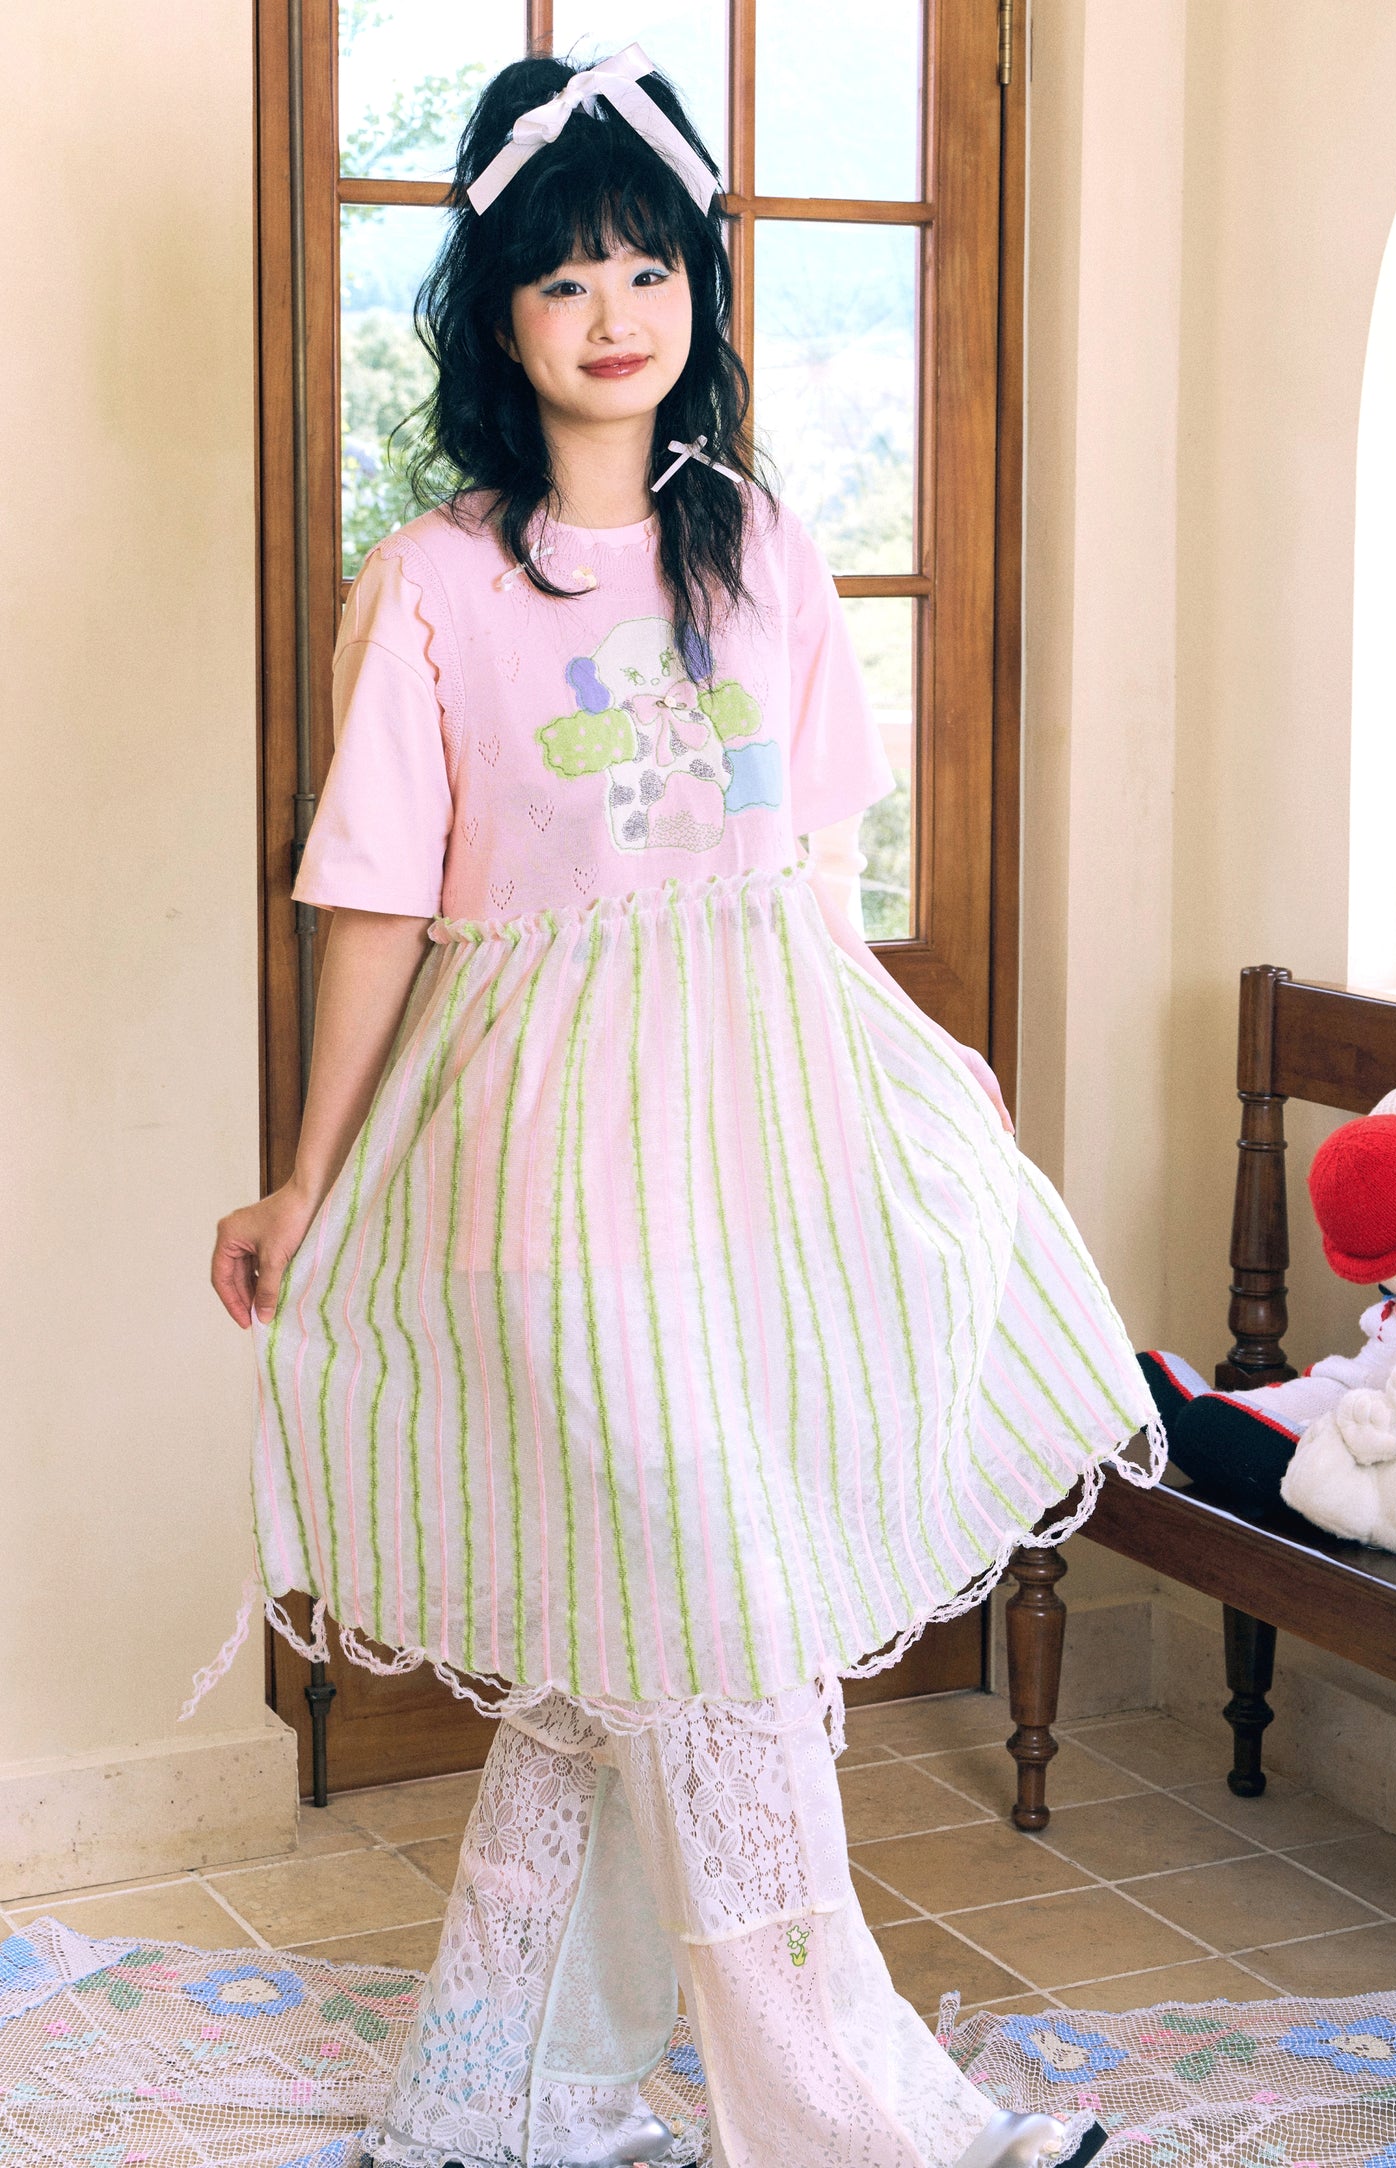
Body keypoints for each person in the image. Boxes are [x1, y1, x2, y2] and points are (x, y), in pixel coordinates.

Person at [209, 46, 1155, 2168]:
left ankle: (491, 2102)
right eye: (564, 277)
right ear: (499, 316)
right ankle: (856, 2123)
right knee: (716, 1628)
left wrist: (903, 1054)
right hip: (546, 1178)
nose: (613, 311)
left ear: (697, 293)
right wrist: (302, 1175)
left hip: (754, 1151)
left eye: (648, 266)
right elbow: (375, 903)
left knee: (610, 1656)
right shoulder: (434, 581)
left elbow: (807, 871)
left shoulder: (765, 552)